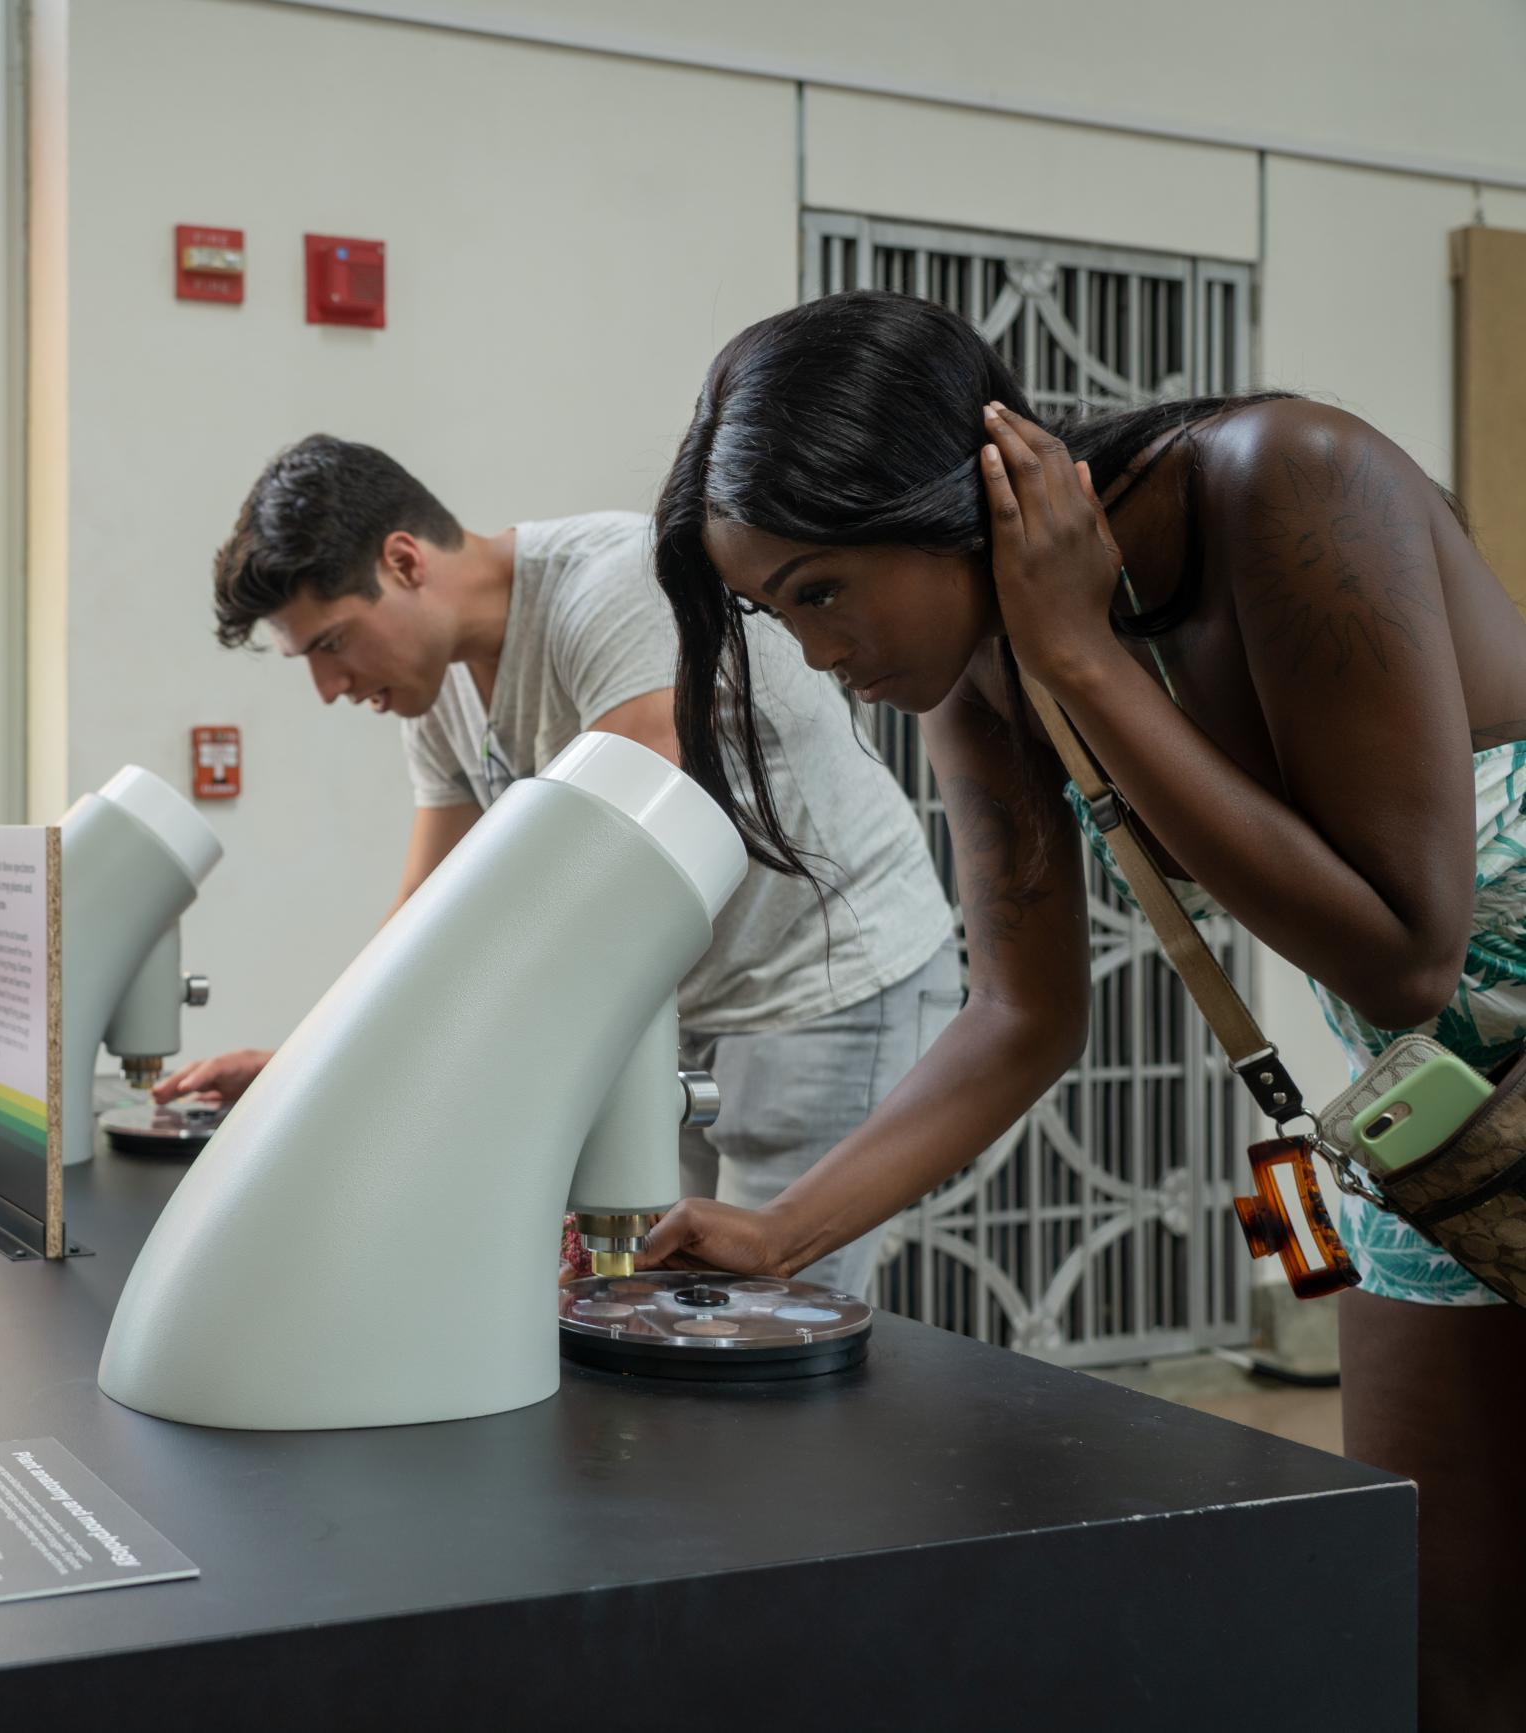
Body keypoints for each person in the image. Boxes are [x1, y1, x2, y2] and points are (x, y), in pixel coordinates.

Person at [643, 289, 1526, 1726]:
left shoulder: (1287, 480)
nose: (817, 653)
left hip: (1429, 1037)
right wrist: (780, 1231)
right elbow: (1021, 1017)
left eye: (821, 589)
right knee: (1433, 1636)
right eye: (770, 611)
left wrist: (1083, 657)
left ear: (951, 497)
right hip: (1440, 1140)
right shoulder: (983, 683)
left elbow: (1404, 951)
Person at [156, 434, 957, 1293]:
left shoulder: (613, 590)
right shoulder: (438, 699)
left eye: (331, 643)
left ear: (403, 560)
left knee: (757, 1324)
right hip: (691, 1010)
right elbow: (425, 920)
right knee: (658, 1300)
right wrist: (303, 1064)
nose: (329, 687)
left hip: (828, 982)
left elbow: (616, 875)